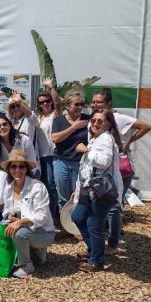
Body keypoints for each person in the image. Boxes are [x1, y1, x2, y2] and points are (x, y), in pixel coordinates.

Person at [90, 88, 151, 251]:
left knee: (114, 207)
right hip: (102, 169)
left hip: (118, 169)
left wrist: (129, 141)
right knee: (103, 205)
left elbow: (146, 126)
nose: (95, 105)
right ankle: (103, 238)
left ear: (109, 103)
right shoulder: (95, 119)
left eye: (99, 102)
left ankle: (113, 242)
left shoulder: (119, 118)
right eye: (94, 101)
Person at [71, 109, 123, 272]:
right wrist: (78, 188)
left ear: (108, 124)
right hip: (89, 187)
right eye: (93, 120)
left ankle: (97, 261)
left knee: (94, 223)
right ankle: (94, 250)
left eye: (100, 121)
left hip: (101, 189)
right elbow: (86, 168)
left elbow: (104, 162)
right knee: (78, 217)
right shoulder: (96, 138)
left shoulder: (105, 138)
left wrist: (86, 150)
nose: (95, 123)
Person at [1, 150, 55, 278]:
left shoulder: (38, 187)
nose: (17, 170)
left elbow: (42, 217)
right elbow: (6, 209)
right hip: (24, 227)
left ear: (27, 169)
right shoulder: (9, 187)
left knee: (19, 233)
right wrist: (9, 215)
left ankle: (27, 266)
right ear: (9, 169)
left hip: (43, 232)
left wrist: (19, 221)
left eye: (21, 166)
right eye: (14, 166)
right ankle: (28, 253)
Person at [51, 91, 90, 223]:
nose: (80, 107)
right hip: (61, 162)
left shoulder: (88, 120)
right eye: (76, 104)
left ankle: (78, 225)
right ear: (67, 106)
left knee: (79, 196)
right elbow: (55, 138)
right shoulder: (59, 121)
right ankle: (66, 224)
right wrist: (73, 128)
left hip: (80, 164)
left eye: (82, 104)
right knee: (62, 196)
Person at [36, 78, 63, 221]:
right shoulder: (39, 117)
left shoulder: (55, 115)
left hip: (53, 155)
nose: (45, 104)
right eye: (41, 102)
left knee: (52, 188)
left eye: (47, 101)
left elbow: (58, 103)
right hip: (40, 156)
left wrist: (51, 87)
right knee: (44, 187)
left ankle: (53, 218)